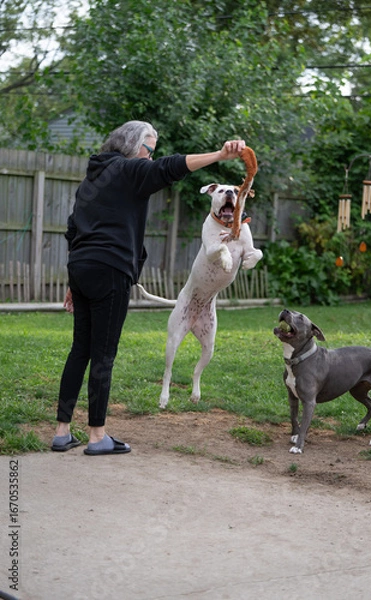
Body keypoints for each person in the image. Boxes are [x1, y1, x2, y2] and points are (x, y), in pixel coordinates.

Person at [51, 120, 247, 455]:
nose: (151, 157)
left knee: (79, 349)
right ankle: (97, 436)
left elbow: (73, 230)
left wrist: (73, 281)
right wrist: (219, 155)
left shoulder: (92, 179)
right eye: (149, 149)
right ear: (132, 146)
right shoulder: (130, 170)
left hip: (81, 268)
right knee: (103, 353)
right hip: (110, 269)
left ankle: (61, 432)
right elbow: (170, 168)